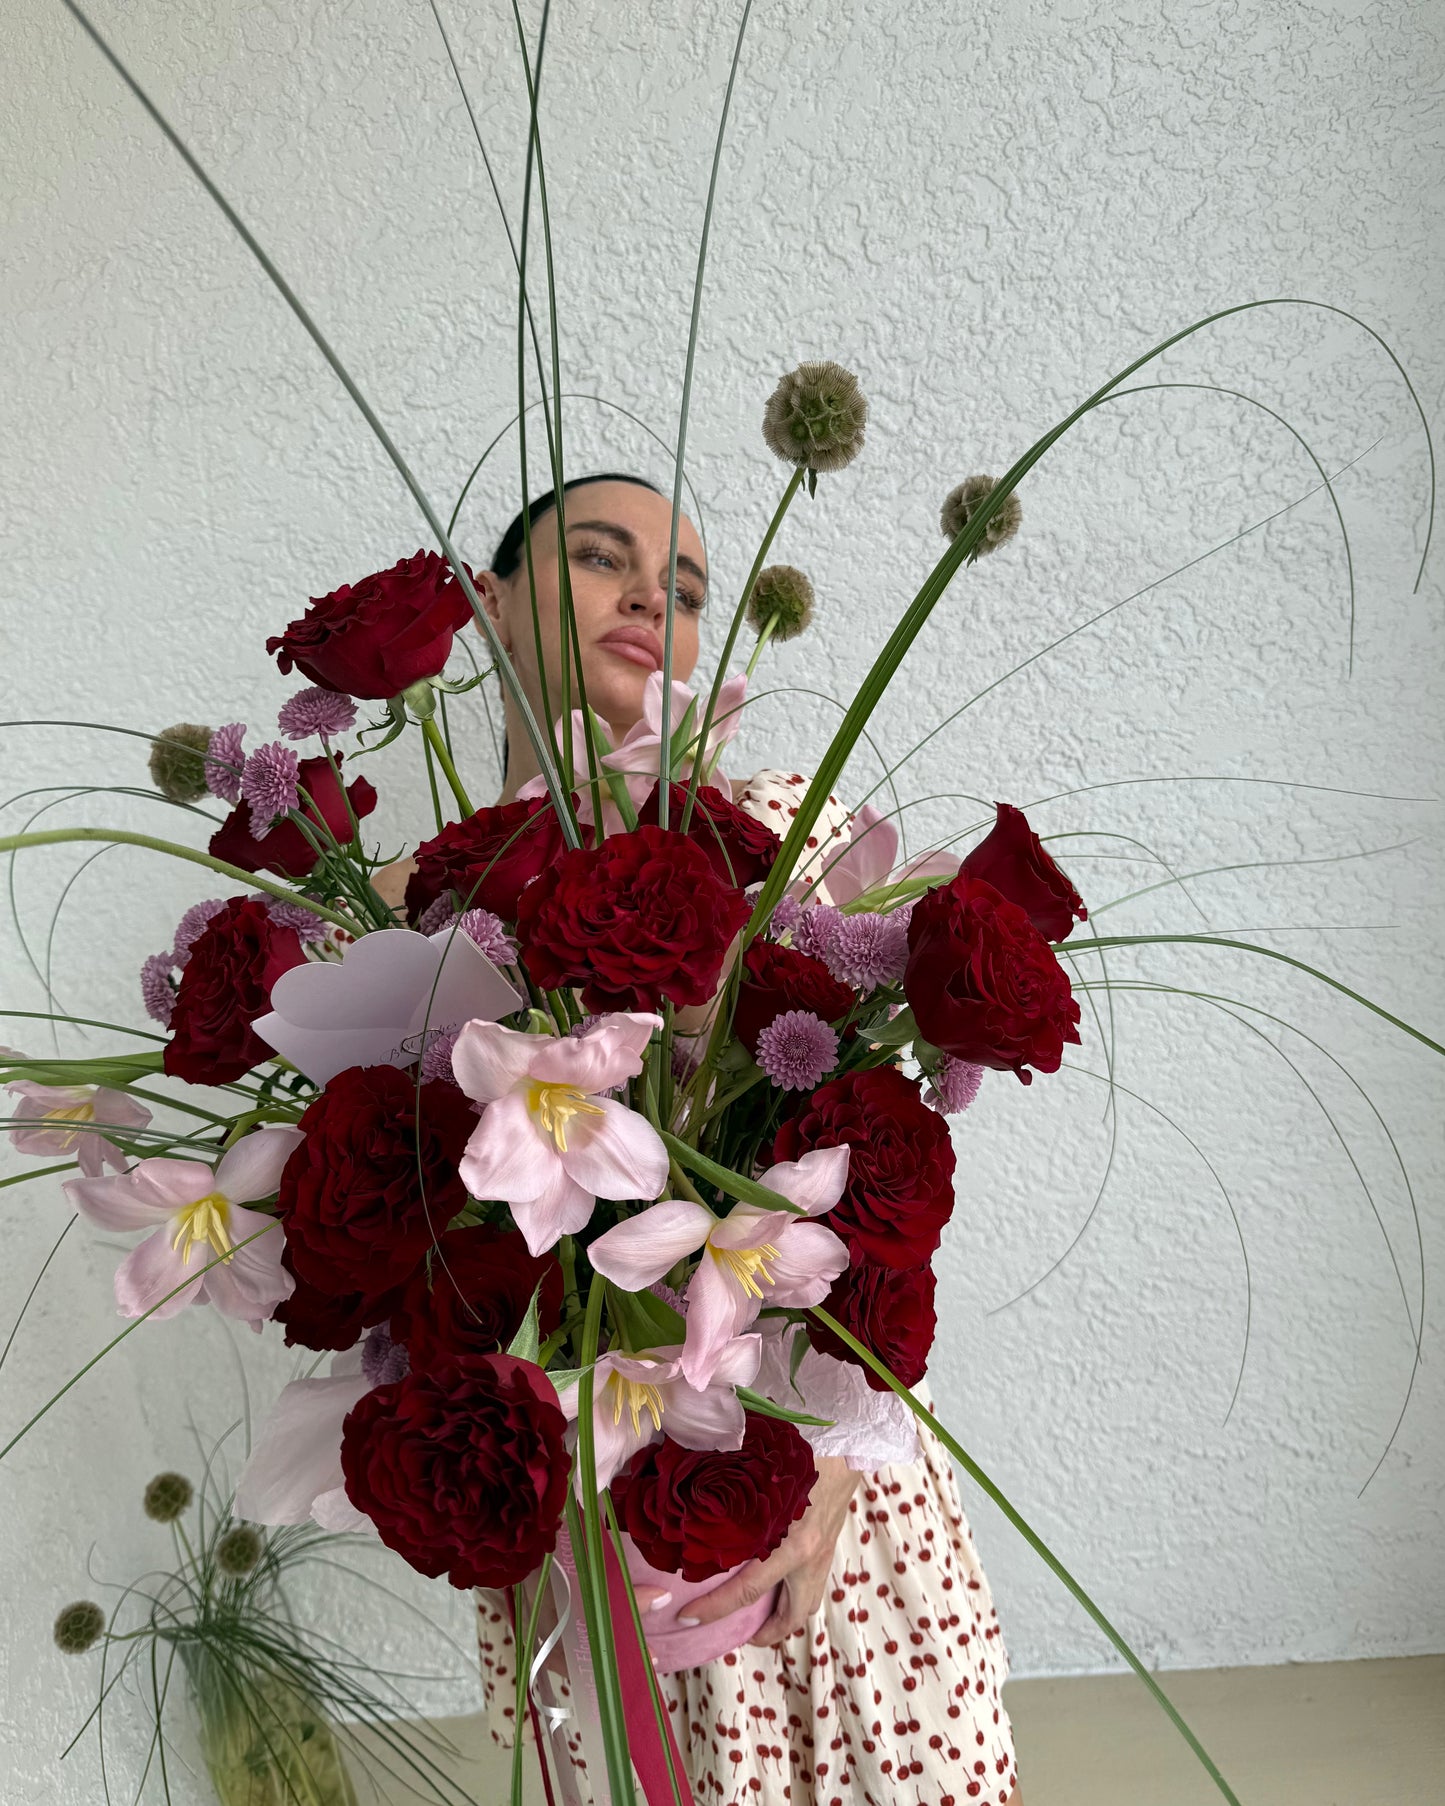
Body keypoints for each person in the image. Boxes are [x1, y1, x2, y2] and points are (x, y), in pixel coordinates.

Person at [375, 473, 1021, 1806]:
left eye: (682, 592)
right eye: (603, 560)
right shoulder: (398, 911)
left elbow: (877, 1189)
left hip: (810, 1486)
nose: (645, 602)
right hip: (574, 1512)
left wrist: (839, 1455)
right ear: (489, 604)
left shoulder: (783, 835)